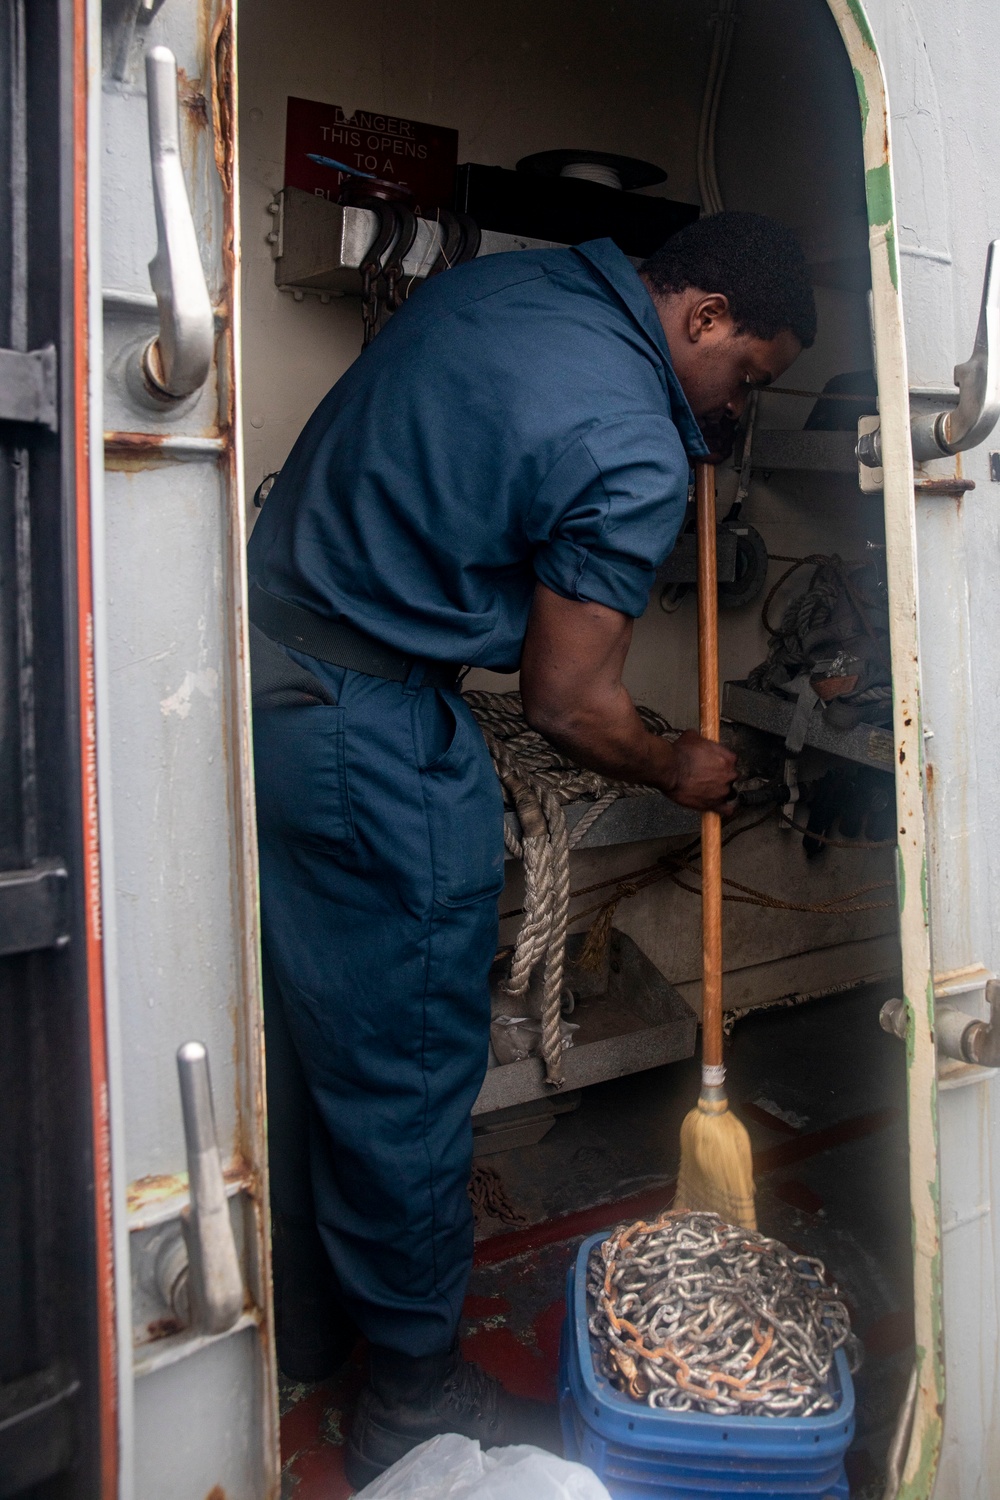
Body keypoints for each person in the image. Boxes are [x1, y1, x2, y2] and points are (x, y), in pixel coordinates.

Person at [247, 209, 815, 1487]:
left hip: (271, 668)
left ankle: (306, 1328)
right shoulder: (628, 436)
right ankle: (407, 1393)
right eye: (744, 379)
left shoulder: (513, 290)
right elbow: (569, 705)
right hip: (368, 727)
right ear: (703, 317)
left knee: (311, 1041)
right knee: (404, 1069)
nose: (732, 411)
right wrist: (681, 764)